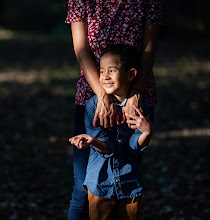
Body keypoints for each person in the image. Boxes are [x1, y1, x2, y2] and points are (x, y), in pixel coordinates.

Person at [64, 0, 163, 219]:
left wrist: (136, 93)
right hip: (92, 95)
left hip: (136, 95)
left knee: (126, 183)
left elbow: (148, 51)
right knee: (84, 188)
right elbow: (82, 50)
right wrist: (101, 95)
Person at [69, 44, 154, 220]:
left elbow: (133, 146)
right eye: (101, 71)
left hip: (130, 183)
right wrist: (92, 141)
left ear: (131, 74)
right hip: (101, 183)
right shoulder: (93, 106)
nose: (105, 76)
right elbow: (108, 145)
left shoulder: (141, 107)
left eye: (112, 70)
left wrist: (146, 133)